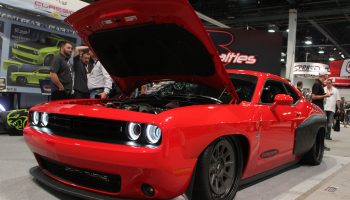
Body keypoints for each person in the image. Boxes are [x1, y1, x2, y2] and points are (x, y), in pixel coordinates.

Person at [311, 69, 331, 151]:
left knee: (322, 126)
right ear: (323, 75)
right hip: (317, 108)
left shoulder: (320, 84)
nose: (327, 76)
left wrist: (325, 94)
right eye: (326, 75)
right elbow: (313, 97)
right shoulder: (317, 84)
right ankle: (319, 144)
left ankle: (321, 144)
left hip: (319, 107)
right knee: (320, 126)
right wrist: (325, 96)